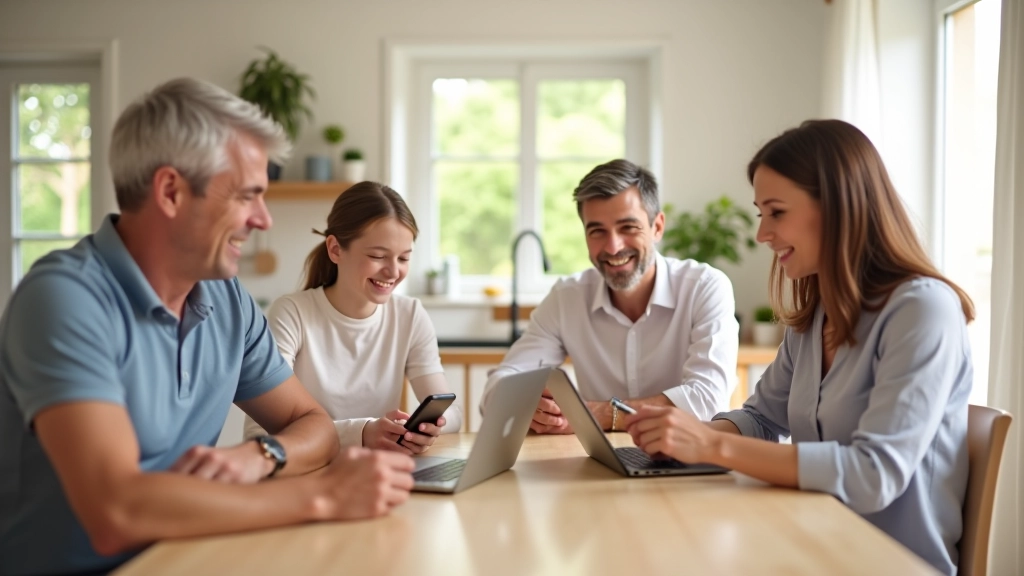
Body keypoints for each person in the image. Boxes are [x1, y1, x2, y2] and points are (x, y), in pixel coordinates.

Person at [0, 78, 414, 576]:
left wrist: (261, 456)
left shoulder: (225, 298)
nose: (263, 220)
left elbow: (314, 426)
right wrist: (322, 496)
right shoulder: (64, 298)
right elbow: (117, 510)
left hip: (188, 555)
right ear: (171, 191)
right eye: (247, 196)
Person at [622, 119, 973, 576]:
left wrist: (711, 446)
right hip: (811, 543)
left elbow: (874, 475)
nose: (761, 234)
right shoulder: (817, 315)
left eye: (777, 212)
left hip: (887, 563)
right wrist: (683, 441)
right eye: (759, 214)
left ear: (839, 208)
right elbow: (764, 418)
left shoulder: (921, 311)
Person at [482, 159, 740, 433]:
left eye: (628, 227)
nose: (613, 246)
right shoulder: (566, 298)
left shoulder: (704, 286)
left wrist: (593, 414)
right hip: (597, 462)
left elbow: (708, 401)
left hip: (687, 460)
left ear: (657, 227)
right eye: (597, 231)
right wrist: (532, 407)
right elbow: (497, 390)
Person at [243, 182, 463, 454]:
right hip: (309, 473)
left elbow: (452, 413)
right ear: (335, 249)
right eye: (377, 256)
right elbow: (260, 432)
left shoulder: (410, 315)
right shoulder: (293, 313)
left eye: (404, 258)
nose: (393, 271)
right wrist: (360, 433)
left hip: (377, 474)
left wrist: (429, 426)